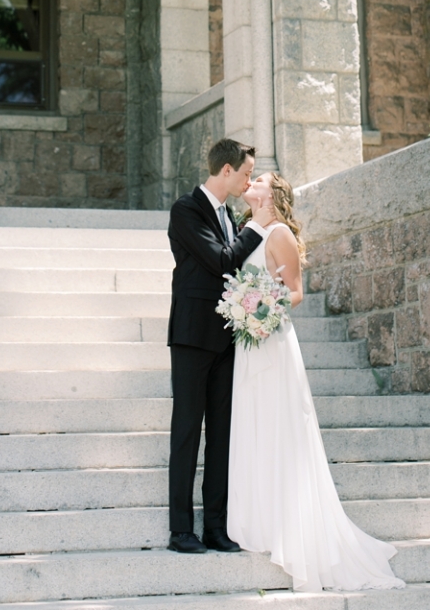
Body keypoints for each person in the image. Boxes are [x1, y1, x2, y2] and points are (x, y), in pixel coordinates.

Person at [227, 171, 406, 594]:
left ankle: (289, 526)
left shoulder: (280, 234)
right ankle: (258, 517)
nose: (250, 181)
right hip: (250, 343)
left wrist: (260, 306)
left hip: (271, 339)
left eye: (259, 180)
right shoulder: (245, 230)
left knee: (279, 429)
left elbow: (296, 292)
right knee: (253, 426)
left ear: (271, 195)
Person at [166, 138, 267, 554]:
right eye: (245, 173)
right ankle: (180, 530)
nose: (248, 181)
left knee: (222, 436)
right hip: (191, 338)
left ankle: (215, 527)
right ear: (226, 170)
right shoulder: (186, 210)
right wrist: (259, 226)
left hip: (227, 340)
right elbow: (221, 260)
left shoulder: (228, 215)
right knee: (187, 432)